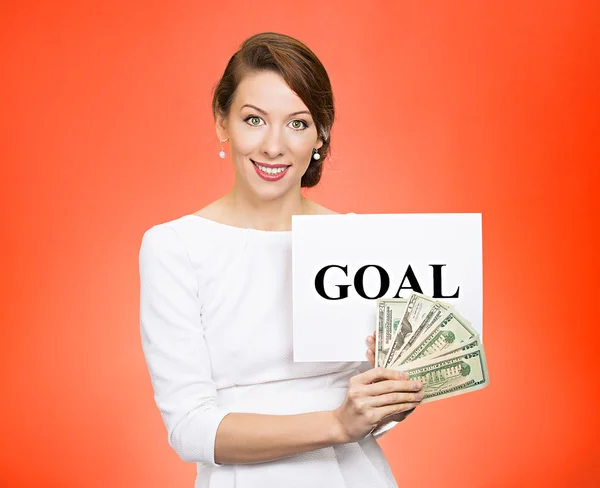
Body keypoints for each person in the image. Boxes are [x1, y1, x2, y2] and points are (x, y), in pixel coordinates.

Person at [138, 32, 424, 488]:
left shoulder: (356, 240)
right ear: (222, 122)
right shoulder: (175, 248)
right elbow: (189, 428)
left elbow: (371, 409)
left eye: (297, 123)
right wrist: (336, 424)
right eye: (254, 119)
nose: (274, 146)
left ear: (319, 135)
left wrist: (391, 395)